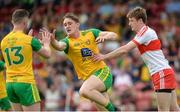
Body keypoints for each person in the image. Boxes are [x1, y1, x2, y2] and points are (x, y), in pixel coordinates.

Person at [93, 7, 180, 111]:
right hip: (165, 71)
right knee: (174, 109)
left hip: (161, 73)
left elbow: (125, 49)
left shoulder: (145, 32)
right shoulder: (146, 33)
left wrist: (104, 56)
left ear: (140, 21)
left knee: (163, 110)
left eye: (132, 21)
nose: (129, 24)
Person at [49, 13, 118, 111]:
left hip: (102, 73)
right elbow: (59, 46)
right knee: (104, 111)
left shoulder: (90, 33)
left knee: (84, 91)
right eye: (65, 25)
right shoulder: (67, 42)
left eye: (69, 23)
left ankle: (115, 109)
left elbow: (113, 35)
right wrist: (53, 41)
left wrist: (105, 37)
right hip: (90, 81)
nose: (67, 26)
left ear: (77, 24)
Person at [0, 9, 51, 111]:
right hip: (25, 83)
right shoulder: (29, 40)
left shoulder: (3, 41)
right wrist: (46, 43)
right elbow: (47, 54)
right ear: (25, 22)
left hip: (10, 85)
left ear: (12, 21)